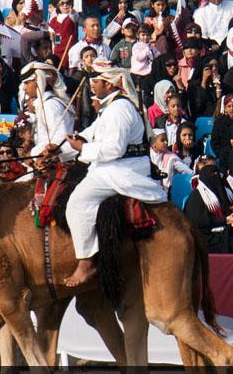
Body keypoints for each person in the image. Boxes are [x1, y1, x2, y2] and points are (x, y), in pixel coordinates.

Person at [60, 63, 168, 286]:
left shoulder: (119, 110)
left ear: (109, 85)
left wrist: (82, 150)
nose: (92, 86)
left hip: (121, 170)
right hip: (114, 166)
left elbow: (113, 149)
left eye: (96, 82)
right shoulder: (111, 108)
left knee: (77, 203)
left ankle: (87, 261)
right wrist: (59, 150)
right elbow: (91, 134)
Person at [184, 155, 233, 253]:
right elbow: (197, 221)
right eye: (212, 174)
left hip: (227, 233)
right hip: (207, 237)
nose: (216, 177)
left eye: (217, 173)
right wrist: (224, 220)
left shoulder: (226, 192)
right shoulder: (197, 196)